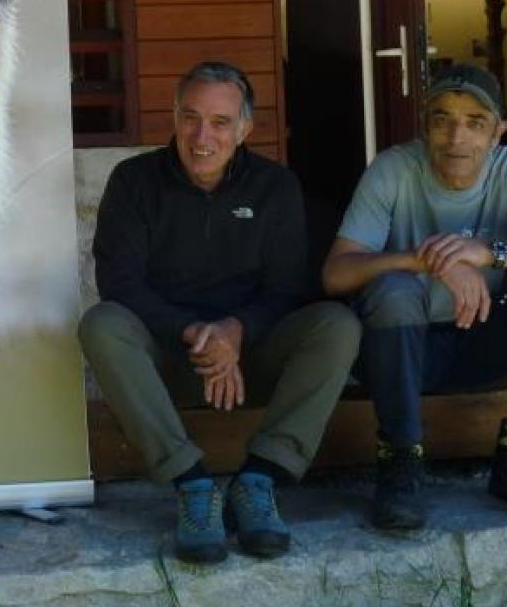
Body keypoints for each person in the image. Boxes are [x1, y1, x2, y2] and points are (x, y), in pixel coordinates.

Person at [79, 61, 361, 563]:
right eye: (190, 118)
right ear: (173, 116)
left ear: (245, 129)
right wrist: (196, 332)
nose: (202, 135)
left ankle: (260, 478)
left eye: (220, 122)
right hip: (167, 360)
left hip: (251, 359)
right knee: (102, 324)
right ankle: (192, 485)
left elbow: (288, 287)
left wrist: (236, 330)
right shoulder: (133, 182)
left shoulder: (275, 187)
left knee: (337, 326)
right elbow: (120, 284)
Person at [322, 64, 507, 531]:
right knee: (394, 290)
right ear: (425, 125)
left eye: (475, 121)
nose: (457, 137)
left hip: (483, 339)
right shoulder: (393, 169)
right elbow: (336, 273)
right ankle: (400, 459)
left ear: (499, 131)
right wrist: (426, 260)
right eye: (442, 119)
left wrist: (489, 253)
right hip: (400, 350)